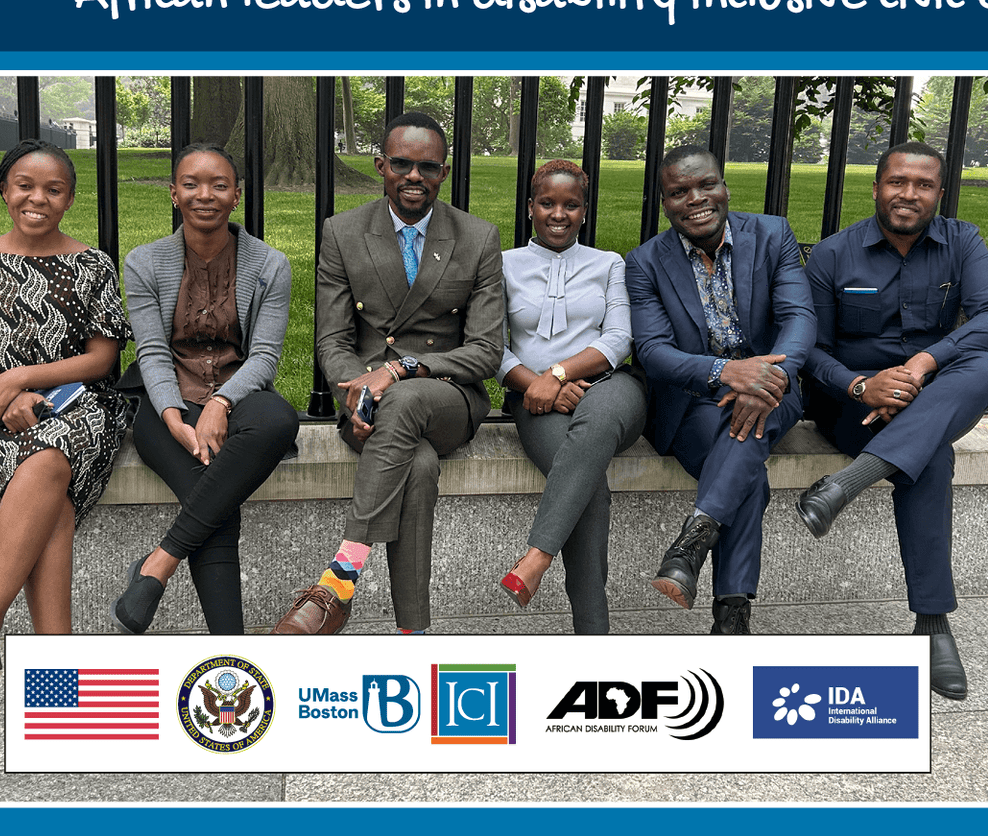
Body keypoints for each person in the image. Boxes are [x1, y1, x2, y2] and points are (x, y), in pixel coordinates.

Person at [796, 141, 988, 701]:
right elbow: (810, 352)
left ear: (939, 194)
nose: (908, 194)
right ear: (876, 188)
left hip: (927, 391)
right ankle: (934, 626)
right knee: (932, 451)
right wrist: (863, 384)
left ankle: (845, 485)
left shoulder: (961, 242)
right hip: (852, 405)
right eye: (897, 182)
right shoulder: (833, 255)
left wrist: (921, 366)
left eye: (922, 185)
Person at [272, 111, 504, 635]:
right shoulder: (343, 231)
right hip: (367, 409)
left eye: (428, 167)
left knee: (405, 398)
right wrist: (359, 393)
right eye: (402, 163)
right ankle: (413, 634)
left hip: (447, 398)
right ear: (381, 165)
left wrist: (401, 368)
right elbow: (332, 340)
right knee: (417, 467)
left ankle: (342, 572)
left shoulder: (478, 237)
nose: (414, 176)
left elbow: (487, 351)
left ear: (443, 173)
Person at [0, 140, 131, 689]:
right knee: (51, 498)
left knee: (50, 454)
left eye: (53, 189)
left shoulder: (91, 264)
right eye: (25, 185)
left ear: (69, 199)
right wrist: (2, 394)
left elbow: (101, 358)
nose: (37, 198)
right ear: (4, 190)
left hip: (80, 407)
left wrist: (19, 378)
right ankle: (56, 666)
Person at [625, 144, 815, 634]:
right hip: (691, 401)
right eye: (678, 192)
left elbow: (798, 316)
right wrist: (726, 373)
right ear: (664, 203)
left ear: (724, 186)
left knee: (748, 425)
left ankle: (692, 543)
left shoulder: (773, 235)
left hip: (775, 388)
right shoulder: (645, 262)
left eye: (706, 185)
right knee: (748, 470)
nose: (696, 199)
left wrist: (764, 379)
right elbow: (653, 350)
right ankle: (731, 620)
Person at [111, 142, 300, 635]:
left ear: (236, 195)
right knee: (213, 498)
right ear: (174, 194)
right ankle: (233, 655)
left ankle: (159, 562)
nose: (205, 195)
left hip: (238, 387)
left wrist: (220, 402)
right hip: (161, 396)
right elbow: (151, 351)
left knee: (278, 420)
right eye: (191, 184)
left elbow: (264, 356)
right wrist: (174, 416)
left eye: (219, 185)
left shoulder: (270, 265)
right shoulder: (144, 263)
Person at [496, 160, 645, 634]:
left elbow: (619, 338)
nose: (558, 214)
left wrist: (556, 374)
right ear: (530, 208)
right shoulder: (502, 264)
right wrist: (536, 385)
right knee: (589, 486)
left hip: (610, 387)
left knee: (598, 421)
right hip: (536, 401)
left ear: (584, 211)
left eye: (571, 205)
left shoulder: (608, 264)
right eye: (547, 203)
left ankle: (536, 556)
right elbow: (489, 345)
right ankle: (593, 634)